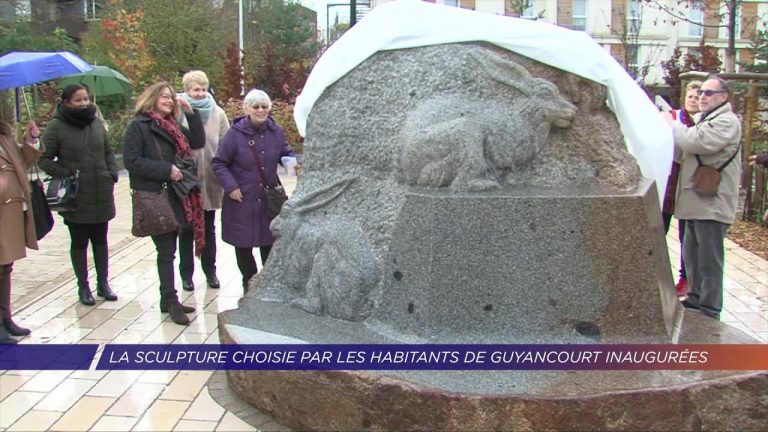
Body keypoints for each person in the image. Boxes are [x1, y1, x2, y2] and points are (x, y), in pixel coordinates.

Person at [123, 82, 205, 325]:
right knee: (166, 250)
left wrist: (190, 112)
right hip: (155, 196)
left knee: (170, 250)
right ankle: (170, 300)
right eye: (164, 97)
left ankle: (167, 299)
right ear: (152, 98)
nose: (169, 101)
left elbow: (197, 141)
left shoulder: (172, 126)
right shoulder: (139, 126)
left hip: (175, 195)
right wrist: (166, 170)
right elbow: (132, 161)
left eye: (171, 97)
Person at [662, 75, 742, 320]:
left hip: (712, 203)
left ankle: (710, 308)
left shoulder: (726, 122)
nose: (702, 97)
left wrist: (673, 124)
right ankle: (696, 298)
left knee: (709, 259)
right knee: (692, 254)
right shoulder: (705, 119)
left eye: (708, 93)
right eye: (701, 93)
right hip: (697, 201)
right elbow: (683, 151)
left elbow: (697, 143)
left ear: (723, 97)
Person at [39, 84, 119, 306]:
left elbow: (108, 151)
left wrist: (111, 173)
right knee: (80, 241)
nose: (84, 103)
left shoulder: (95, 122)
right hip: (76, 195)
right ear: (67, 102)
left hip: (101, 191)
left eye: (85, 99)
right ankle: (83, 286)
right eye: (78, 100)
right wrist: (66, 174)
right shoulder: (56, 126)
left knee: (101, 240)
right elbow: (44, 159)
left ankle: (103, 283)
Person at [213, 89, 297, 290]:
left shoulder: (275, 131)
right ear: (247, 109)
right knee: (243, 244)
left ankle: (267, 284)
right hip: (242, 199)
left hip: (268, 199)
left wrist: (293, 162)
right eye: (256, 106)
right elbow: (219, 163)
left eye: (264, 106)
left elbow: (285, 152)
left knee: (269, 242)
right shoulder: (234, 134)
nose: (260, 110)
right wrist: (231, 186)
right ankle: (248, 283)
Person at [176, 71, 230, 291]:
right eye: (195, 89)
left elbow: (226, 142)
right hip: (186, 179)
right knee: (186, 229)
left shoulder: (218, 112)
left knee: (208, 228)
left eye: (203, 89)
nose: (200, 93)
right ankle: (186, 274)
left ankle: (211, 272)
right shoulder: (178, 110)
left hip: (210, 178)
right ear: (187, 90)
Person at [0, 121, 42, 343]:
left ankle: (5, 319)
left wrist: (31, 141)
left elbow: (22, 160)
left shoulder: (4, 136)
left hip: (9, 210)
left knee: (5, 266)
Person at [661, 80, 701, 297]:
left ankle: (685, 278)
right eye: (690, 96)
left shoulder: (704, 122)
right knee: (660, 228)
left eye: (697, 97)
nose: (693, 100)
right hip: (670, 181)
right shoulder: (673, 117)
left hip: (690, 183)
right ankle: (656, 275)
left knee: (688, 235)